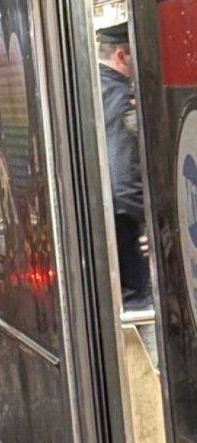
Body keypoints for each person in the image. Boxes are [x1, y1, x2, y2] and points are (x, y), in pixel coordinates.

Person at [97, 22, 151, 309]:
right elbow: (124, 179)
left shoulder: (95, 89)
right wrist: (153, 221)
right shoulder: (121, 98)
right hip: (127, 227)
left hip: (107, 225)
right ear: (121, 56)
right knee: (140, 305)